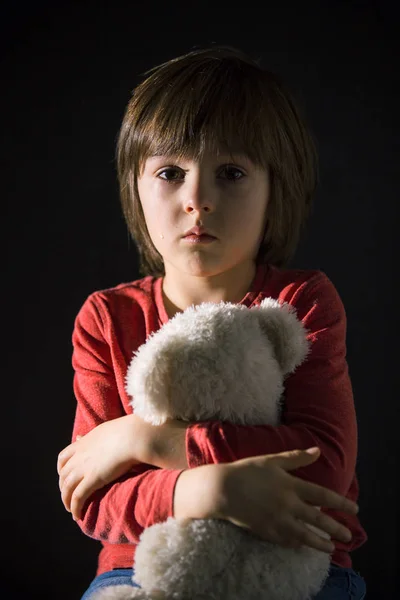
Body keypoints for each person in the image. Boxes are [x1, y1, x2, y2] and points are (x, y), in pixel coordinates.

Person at [57, 45, 368, 599]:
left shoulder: (303, 301)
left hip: (297, 561)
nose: (198, 199)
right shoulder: (106, 319)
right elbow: (93, 499)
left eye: (231, 172)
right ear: (135, 185)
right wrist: (204, 491)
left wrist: (145, 438)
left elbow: (324, 467)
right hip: (142, 571)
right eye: (171, 172)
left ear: (276, 186)